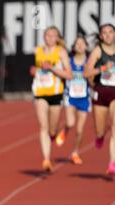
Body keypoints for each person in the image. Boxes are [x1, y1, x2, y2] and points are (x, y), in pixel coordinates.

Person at [30, 26, 72, 172]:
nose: (49, 38)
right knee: (43, 126)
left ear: (58, 38)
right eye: (47, 35)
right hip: (40, 92)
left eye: (53, 35)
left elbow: (69, 75)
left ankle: (53, 136)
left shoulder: (61, 52)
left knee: (52, 129)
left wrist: (52, 68)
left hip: (56, 94)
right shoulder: (38, 51)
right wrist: (34, 70)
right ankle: (46, 159)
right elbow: (34, 68)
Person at [84, 23, 115, 175]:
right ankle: (100, 136)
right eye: (105, 33)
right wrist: (102, 69)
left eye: (111, 32)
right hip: (101, 92)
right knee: (100, 129)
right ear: (101, 36)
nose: (108, 35)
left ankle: (112, 162)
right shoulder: (98, 50)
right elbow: (86, 73)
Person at [57, 35, 91, 165]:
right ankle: (65, 130)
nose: (80, 46)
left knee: (79, 129)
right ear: (74, 47)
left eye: (82, 44)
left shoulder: (89, 62)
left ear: (87, 47)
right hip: (70, 96)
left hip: (84, 98)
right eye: (77, 44)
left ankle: (75, 152)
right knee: (70, 123)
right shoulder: (69, 61)